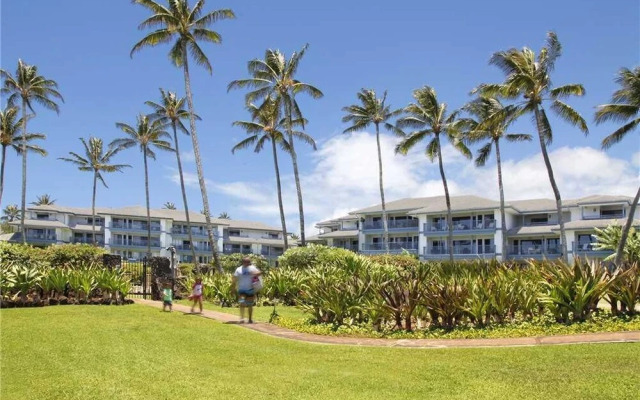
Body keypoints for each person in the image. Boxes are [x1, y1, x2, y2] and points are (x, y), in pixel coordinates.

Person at [232, 257, 262, 323]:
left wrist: (255, 274)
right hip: (241, 290)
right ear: (243, 262)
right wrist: (233, 288)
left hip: (250, 289)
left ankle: (250, 319)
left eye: (249, 262)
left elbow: (260, 273)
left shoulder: (252, 268)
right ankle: (242, 319)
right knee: (242, 303)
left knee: (250, 304)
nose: (248, 263)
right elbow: (234, 279)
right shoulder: (239, 269)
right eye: (247, 262)